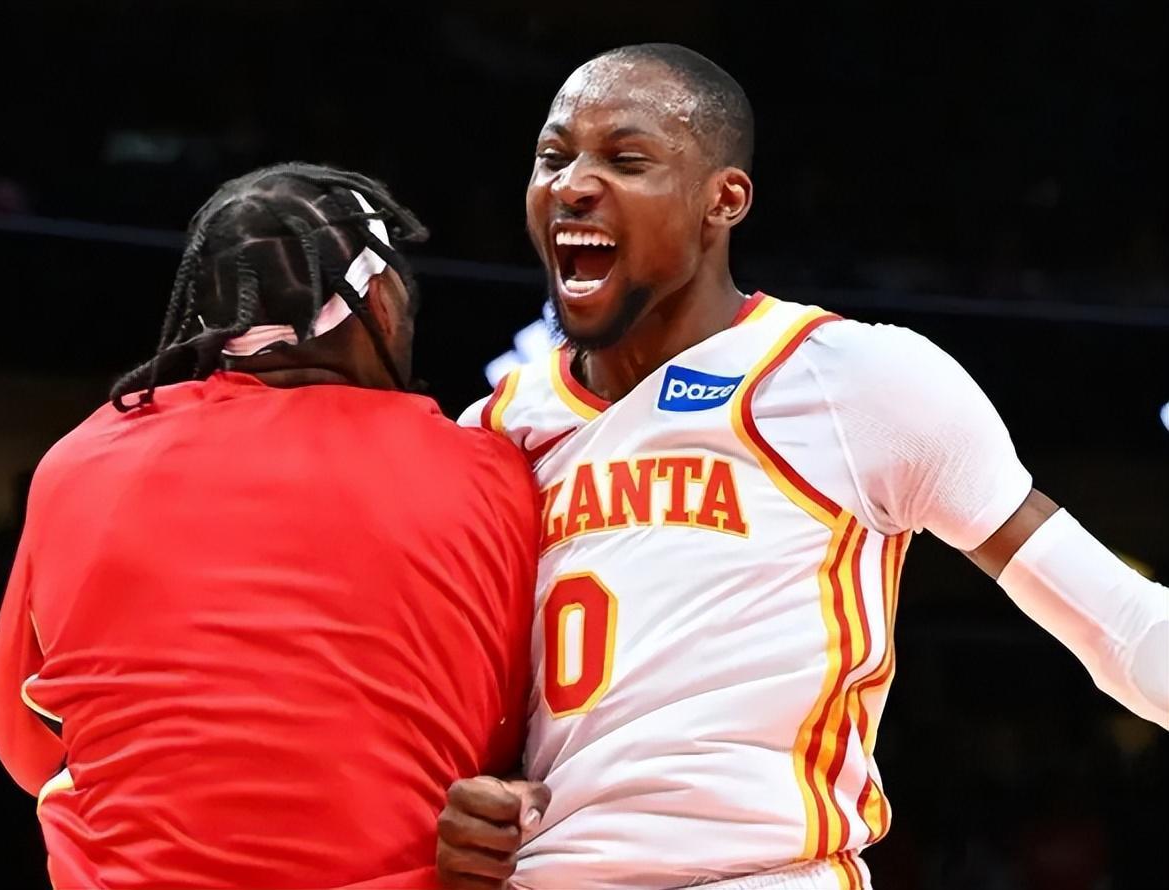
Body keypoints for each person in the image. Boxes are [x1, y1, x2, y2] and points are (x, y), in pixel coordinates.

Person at [436, 44, 1169, 890]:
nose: (572, 184)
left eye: (626, 160)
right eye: (553, 157)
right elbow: (462, 720)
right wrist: (464, 807)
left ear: (724, 200)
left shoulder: (855, 379)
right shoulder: (494, 430)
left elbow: (1121, 625)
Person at [0, 163, 541, 890]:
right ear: (381, 298)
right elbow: (506, 742)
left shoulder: (82, 460)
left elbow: (25, 745)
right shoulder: (491, 479)